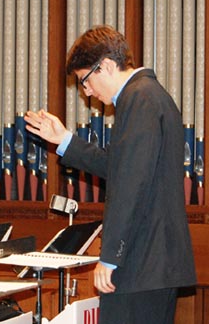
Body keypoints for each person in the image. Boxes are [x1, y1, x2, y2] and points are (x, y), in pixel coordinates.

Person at [25, 25, 197, 324]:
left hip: (140, 262)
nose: (86, 91)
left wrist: (110, 257)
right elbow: (120, 167)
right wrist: (64, 139)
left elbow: (130, 186)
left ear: (104, 66)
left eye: (85, 81)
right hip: (151, 263)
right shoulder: (146, 95)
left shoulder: (139, 98)